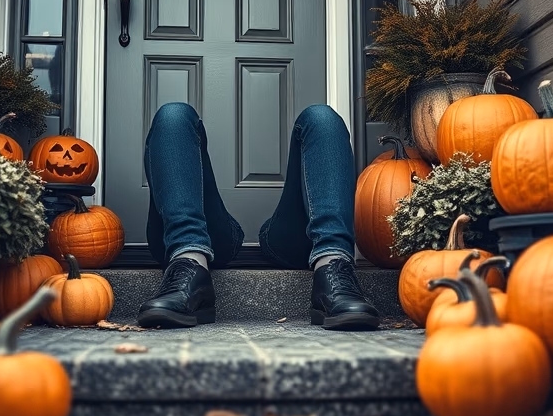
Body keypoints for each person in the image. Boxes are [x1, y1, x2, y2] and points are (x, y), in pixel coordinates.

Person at [136, 101, 380, 330]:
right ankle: (188, 259)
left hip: (292, 242)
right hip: (196, 236)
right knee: (173, 115)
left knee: (322, 117)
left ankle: (333, 267)